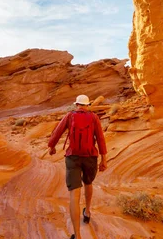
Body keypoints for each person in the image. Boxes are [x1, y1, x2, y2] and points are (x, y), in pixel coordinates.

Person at [48, 94, 108, 239]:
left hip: (72, 157)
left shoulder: (69, 116)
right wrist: (104, 159)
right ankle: (87, 212)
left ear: (77, 104)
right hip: (90, 158)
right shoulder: (94, 117)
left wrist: (52, 147)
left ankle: (78, 235)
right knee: (88, 183)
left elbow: (57, 132)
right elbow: (100, 138)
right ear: (87, 105)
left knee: (74, 195)